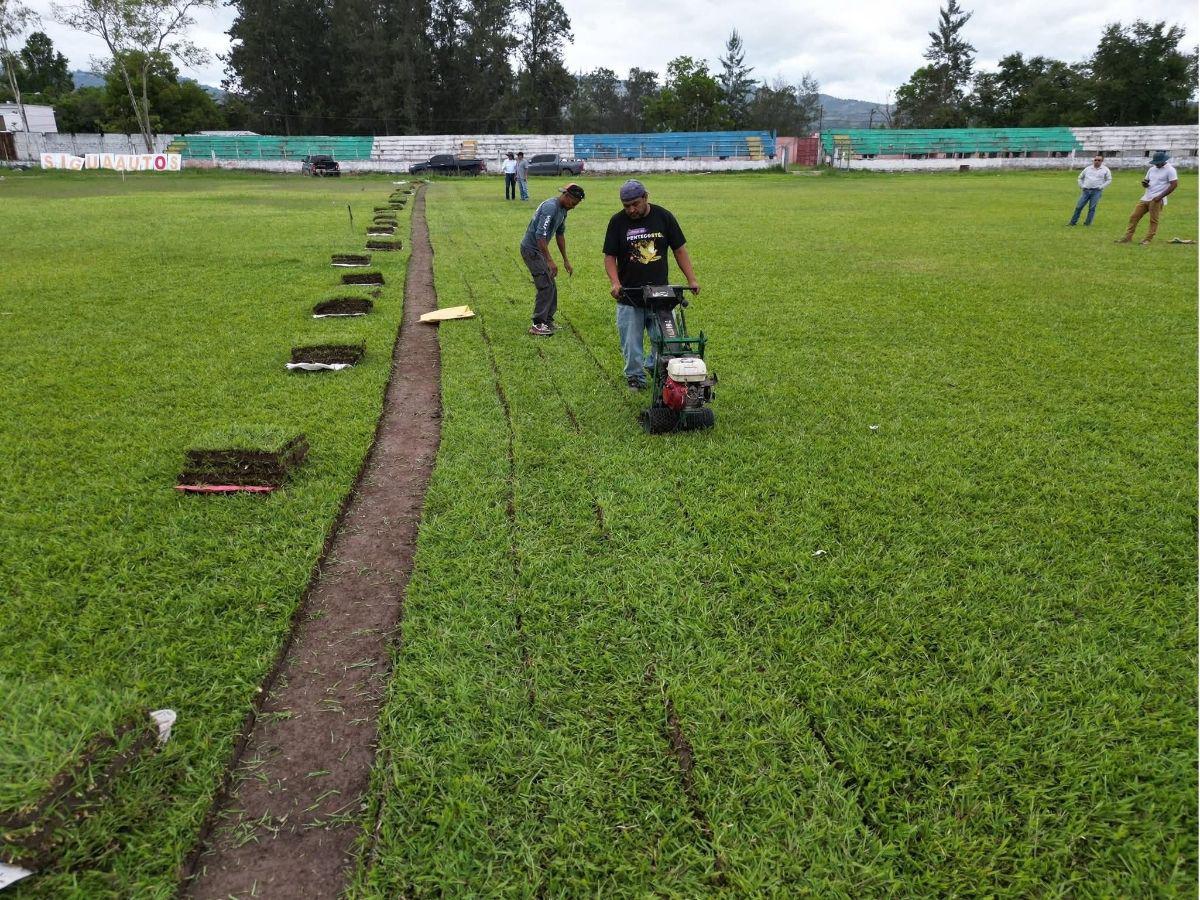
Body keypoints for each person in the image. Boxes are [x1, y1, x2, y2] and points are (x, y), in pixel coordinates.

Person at [603, 180, 700, 390]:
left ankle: (654, 366)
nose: (631, 210)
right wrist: (615, 283)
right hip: (629, 295)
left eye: (635, 204)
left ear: (646, 197)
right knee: (631, 344)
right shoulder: (617, 222)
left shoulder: (663, 217)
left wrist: (691, 279)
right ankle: (635, 377)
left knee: (667, 341)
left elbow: (679, 250)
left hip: (661, 295)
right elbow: (610, 256)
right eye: (626, 205)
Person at [521, 183, 585, 336]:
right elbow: (540, 235)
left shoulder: (563, 210)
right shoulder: (551, 207)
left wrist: (565, 260)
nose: (573, 206)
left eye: (576, 204)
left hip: (538, 250)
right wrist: (549, 260)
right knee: (546, 285)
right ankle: (538, 324)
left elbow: (560, 234)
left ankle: (547, 321)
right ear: (566, 196)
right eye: (573, 203)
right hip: (531, 250)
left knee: (551, 285)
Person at [1117, 151, 1178, 245]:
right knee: (1134, 217)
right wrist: (1145, 184)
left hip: (1157, 199)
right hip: (1146, 197)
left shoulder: (1170, 170)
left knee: (1153, 220)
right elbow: (1147, 181)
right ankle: (1127, 237)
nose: (1156, 164)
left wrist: (1160, 197)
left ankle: (1147, 239)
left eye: (1158, 163)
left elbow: (1174, 185)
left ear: (1164, 161)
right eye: (1155, 163)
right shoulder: (1152, 169)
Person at [1068, 155, 1112, 226]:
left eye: (1099, 160)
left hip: (1096, 191)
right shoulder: (1088, 168)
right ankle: (1072, 222)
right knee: (1078, 207)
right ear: (1093, 160)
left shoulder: (1105, 170)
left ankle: (1087, 224)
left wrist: (1101, 187)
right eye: (1095, 160)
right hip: (1086, 191)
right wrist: (1081, 186)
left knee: (1092, 208)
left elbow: (1109, 179)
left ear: (1102, 161)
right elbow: (1080, 177)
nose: (1097, 161)